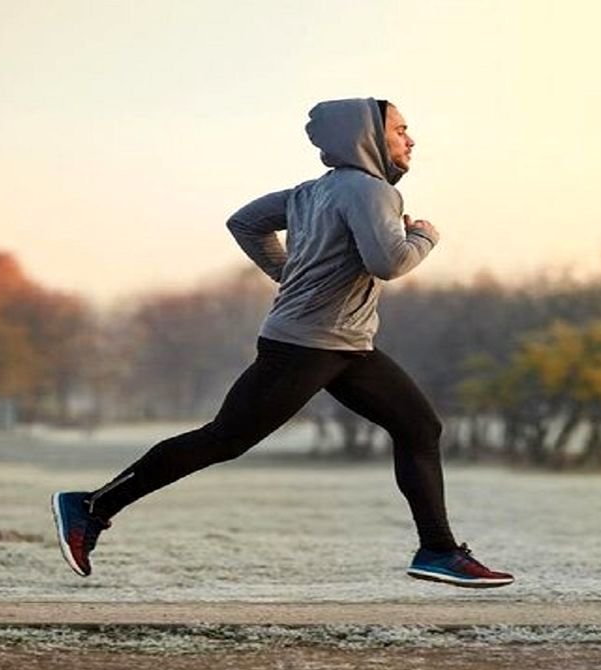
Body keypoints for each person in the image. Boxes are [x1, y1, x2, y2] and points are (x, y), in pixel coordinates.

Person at [50, 97, 514, 589]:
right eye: (400, 129)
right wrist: (422, 236)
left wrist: (287, 273)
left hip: (348, 346)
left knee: (420, 428)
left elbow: (244, 222)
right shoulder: (372, 191)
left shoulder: (313, 192)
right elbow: (389, 263)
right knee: (224, 438)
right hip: (307, 345)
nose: (411, 139)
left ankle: (438, 550)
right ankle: (91, 507)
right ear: (369, 138)